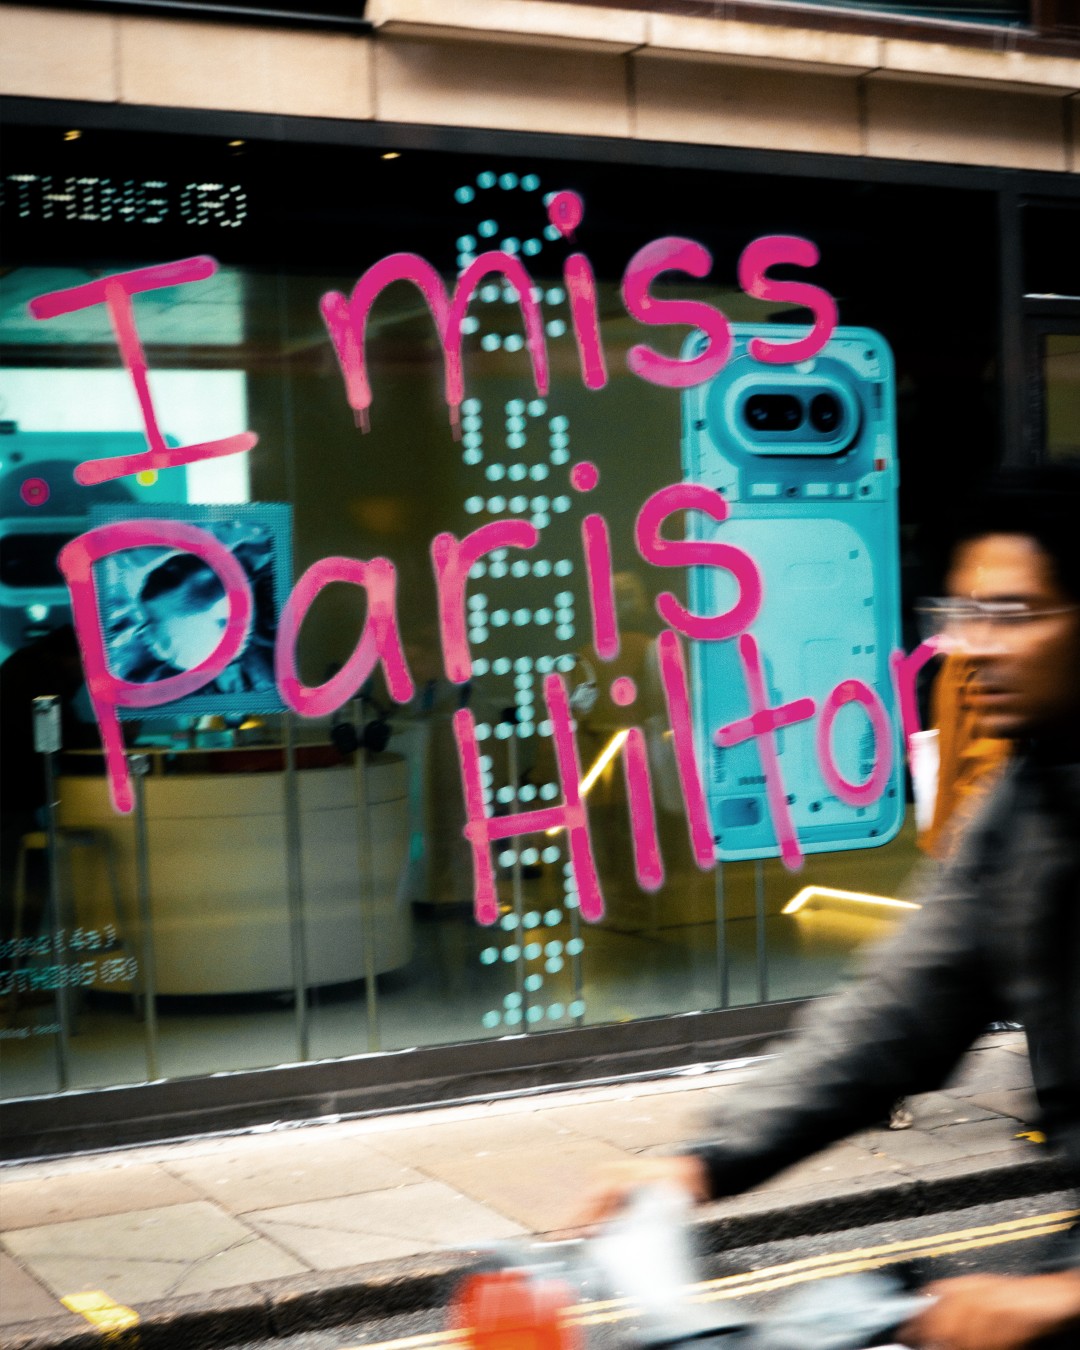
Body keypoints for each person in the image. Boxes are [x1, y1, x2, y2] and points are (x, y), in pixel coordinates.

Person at [578, 464, 1080, 1350]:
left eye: (1013, 614)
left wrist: (1061, 1300)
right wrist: (704, 1162)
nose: (975, 647)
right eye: (962, 615)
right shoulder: (1028, 802)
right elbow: (901, 1005)